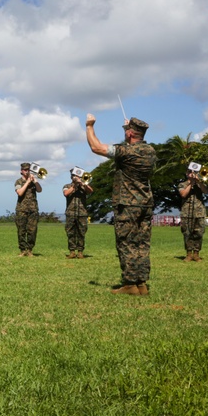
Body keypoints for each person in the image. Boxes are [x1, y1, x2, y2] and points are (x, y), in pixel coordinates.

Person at [86, 114, 156, 295]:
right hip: (145, 204)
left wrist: (89, 126)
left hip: (127, 204)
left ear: (131, 133)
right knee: (142, 244)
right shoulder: (150, 151)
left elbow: (96, 147)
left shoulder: (127, 152)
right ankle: (142, 283)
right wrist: (128, 132)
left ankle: (130, 284)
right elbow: (128, 147)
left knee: (126, 243)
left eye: (127, 131)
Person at [178, 164, 207, 262]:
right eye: (190, 172)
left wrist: (198, 182)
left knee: (199, 233)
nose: (192, 174)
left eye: (194, 172)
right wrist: (191, 183)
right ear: (187, 174)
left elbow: (206, 191)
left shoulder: (200, 183)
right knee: (187, 233)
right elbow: (183, 194)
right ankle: (189, 254)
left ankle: (196, 254)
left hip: (199, 213)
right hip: (186, 213)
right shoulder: (182, 184)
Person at [62, 168, 92, 259]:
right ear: (71, 176)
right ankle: (72, 251)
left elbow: (90, 191)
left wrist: (83, 183)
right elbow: (66, 193)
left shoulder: (84, 186)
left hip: (82, 213)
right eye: (74, 176)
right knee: (70, 232)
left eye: (78, 176)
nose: (76, 177)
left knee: (81, 233)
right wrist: (74, 185)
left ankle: (80, 252)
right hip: (70, 213)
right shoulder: (67, 185)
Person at [14, 162, 42, 256]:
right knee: (21, 231)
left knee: (32, 231)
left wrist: (35, 181)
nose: (27, 172)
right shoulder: (18, 182)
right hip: (21, 210)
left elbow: (39, 190)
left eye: (28, 170)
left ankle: (30, 250)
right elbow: (20, 193)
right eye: (25, 170)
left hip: (33, 209)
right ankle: (22, 250)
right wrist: (27, 182)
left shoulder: (33, 181)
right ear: (21, 171)